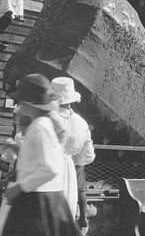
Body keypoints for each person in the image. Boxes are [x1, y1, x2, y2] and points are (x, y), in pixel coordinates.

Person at [0, 73, 80, 236]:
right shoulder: (40, 125)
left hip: (39, 200)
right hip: (40, 197)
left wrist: (20, 187)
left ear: (29, 104)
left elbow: (50, 168)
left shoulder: (40, 127)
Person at [51, 77, 95, 235]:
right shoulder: (81, 123)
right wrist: (72, 159)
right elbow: (88, 155)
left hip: (49, 170)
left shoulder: (47, 119)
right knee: (66, 214)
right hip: (70, 170)